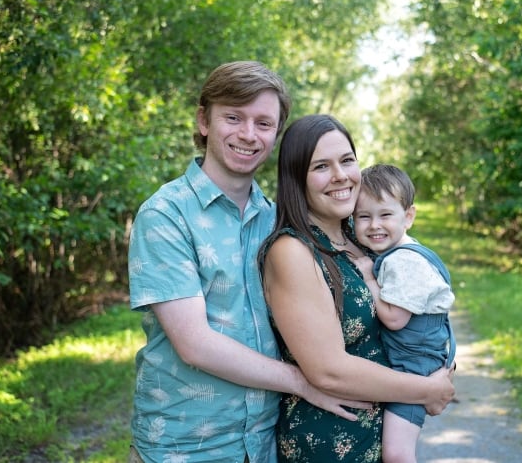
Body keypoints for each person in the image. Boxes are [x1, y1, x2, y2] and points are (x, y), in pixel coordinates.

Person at [127, 62, 368, 463]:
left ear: (276, 134)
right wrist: (302, 381)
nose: (248, 134)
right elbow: (194, 344)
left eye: (263, 123)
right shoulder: (166, 215)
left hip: (263, 444)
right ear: (204, 120)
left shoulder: (277, 221)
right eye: (233, 117)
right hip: (184, 447)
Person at [258, 114, 455, 463]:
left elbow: (415, 307)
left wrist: (441, 362)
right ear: (296, 179)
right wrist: (428, 389)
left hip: (378, 433)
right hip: (330, 440)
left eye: (347, 160)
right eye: (321, 166)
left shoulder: (358, 234)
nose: (340, 175)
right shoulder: (293, 250)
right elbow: (328, 371)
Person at [352, 164, 457, 463]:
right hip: (409, 360)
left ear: (408, 216)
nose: (374, 225)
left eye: (385, 215)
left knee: (397, 453)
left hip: (414, 367)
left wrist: (370, 280)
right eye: (363, 216)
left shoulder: (403, 262)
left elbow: (395, 319)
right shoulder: (400, 253)